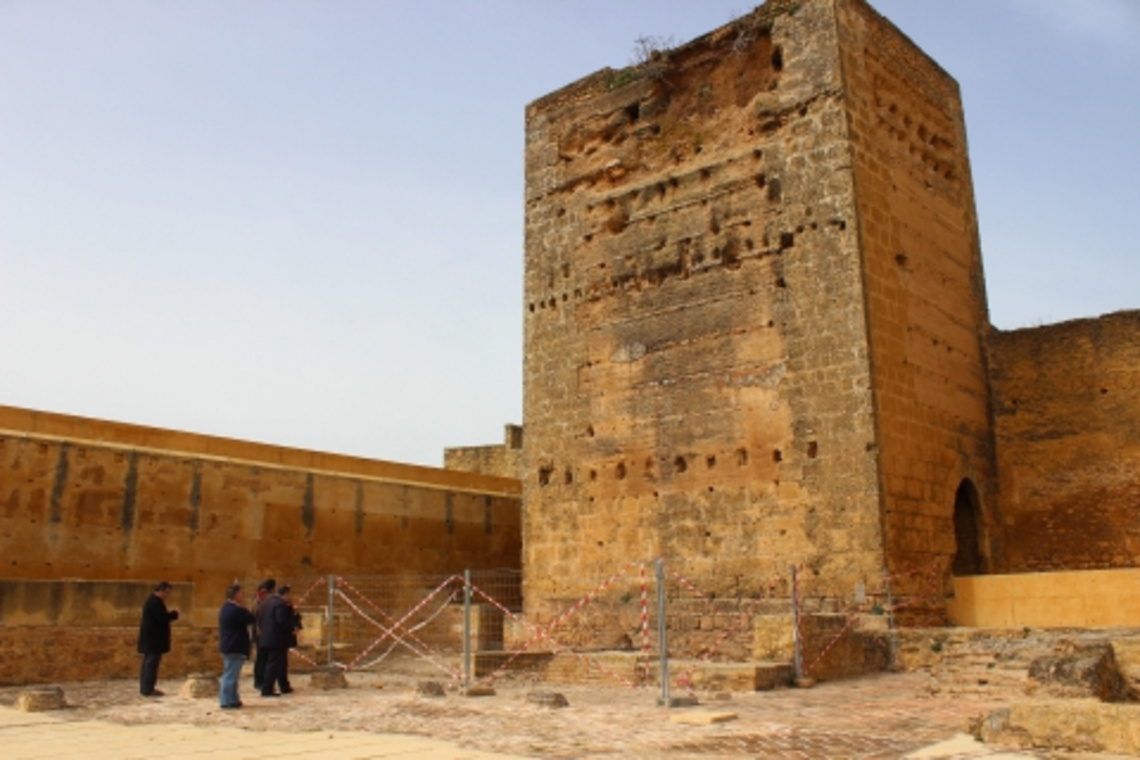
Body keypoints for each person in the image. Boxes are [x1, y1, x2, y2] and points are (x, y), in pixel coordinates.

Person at [217, 582, 256, 709]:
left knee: (232, 675)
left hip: (230, 645)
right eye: (240, 593)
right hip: (234, 645)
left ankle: (233, 699)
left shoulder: (226, 607)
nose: (242, 596)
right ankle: (226, 700)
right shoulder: (234, 609)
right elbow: (251, 617)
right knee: (230, 675)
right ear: (235, 595)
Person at [137, 581, 179, 697]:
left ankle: (147, 687)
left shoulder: (153, 602)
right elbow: (161, 617)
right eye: (166, 593)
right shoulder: (154, 603)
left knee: (149, 664)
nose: (167, 596)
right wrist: (174, 614)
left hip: (151, 640)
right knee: (151, 664)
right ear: (160, 591)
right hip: (153, 640)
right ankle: (147, 689)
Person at [257, 583, 297, 697]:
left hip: (268, 637)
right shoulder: (280, 604)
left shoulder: (267, 603)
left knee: (280, 663)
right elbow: (281, 620)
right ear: (286, 594)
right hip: (276, 639)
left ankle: (284, 685)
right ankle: (267, 689)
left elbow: (260, 620)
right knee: (273, 664)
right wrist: (292, 628)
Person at [251, 578, 276, 691]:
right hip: (262, 631)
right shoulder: (264, 599)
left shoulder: (258, 597)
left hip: (258, 631)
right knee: (262, 658)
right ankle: (260, 681)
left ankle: (259, 680)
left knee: (261, 658)